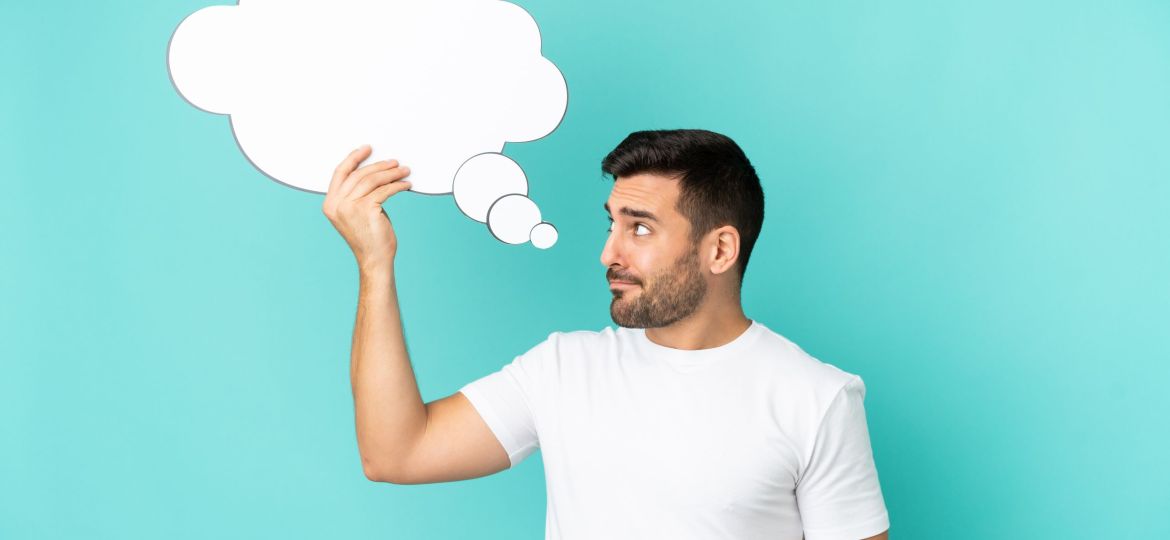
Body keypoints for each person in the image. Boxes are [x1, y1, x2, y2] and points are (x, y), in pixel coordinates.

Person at [322, 129, 890, 540]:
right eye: (612, 223)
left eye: (639, 227)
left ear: (719, 250)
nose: (608, 254)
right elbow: (396, 452)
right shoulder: (563, 368)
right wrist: (375, 264)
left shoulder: (817, 399)